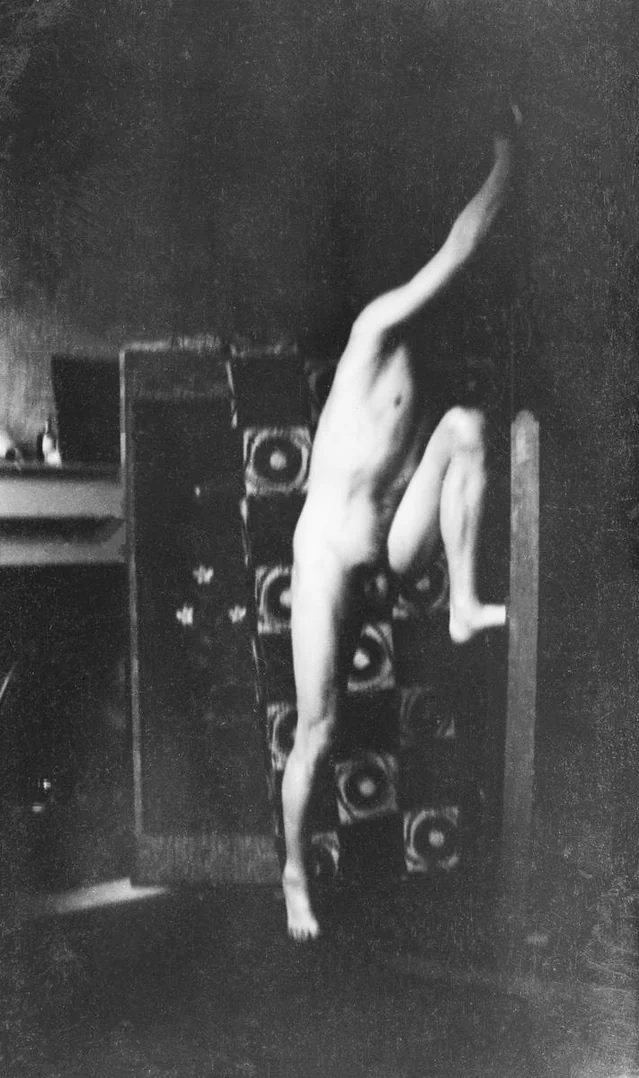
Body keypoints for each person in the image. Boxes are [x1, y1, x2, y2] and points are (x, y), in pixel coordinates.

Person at [282, 105, 522, 941]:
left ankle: (463, 604)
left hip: (389, 545)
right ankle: (294, 876)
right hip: (327, 556)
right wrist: (509, 156)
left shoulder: (431, 362)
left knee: (468, 427)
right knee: (318, 730)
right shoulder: (375, 327)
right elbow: (461, 247)